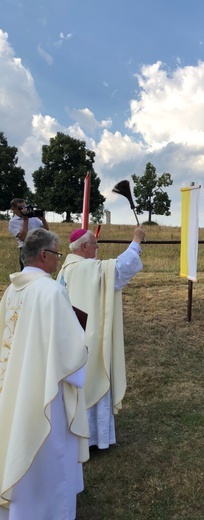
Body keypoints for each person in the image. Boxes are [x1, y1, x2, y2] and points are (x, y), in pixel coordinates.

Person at [0, 228, 89, 520]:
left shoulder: (11, 290)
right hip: (45, 392)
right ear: (44, 255)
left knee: (17, 442)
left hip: (13, 388)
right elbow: (72, 353)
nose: (59, 260)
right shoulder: (51, 291)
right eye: (58, 254)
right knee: (48, 456)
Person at [57, 225, 145, 450]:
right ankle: (95, 439)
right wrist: (136, 242)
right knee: (94, 378)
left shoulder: (66, 268)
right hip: (90, 338)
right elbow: (118, 271)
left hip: (72, 337)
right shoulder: (85, 268)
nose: (97, 249)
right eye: (95, 245)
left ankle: (79, 437)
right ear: (85, 246)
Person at [8, 198, 49, 270]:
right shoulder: (13, 222)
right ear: (13, 209)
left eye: (25, 207)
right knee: (28, 271)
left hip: (39, 247)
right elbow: (23, 237)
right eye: (21, 208)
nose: (24, 210)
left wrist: (43, 220)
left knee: (41, 270)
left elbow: (46, 231)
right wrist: (25, 219)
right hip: (26, 248)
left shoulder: (33, 218)